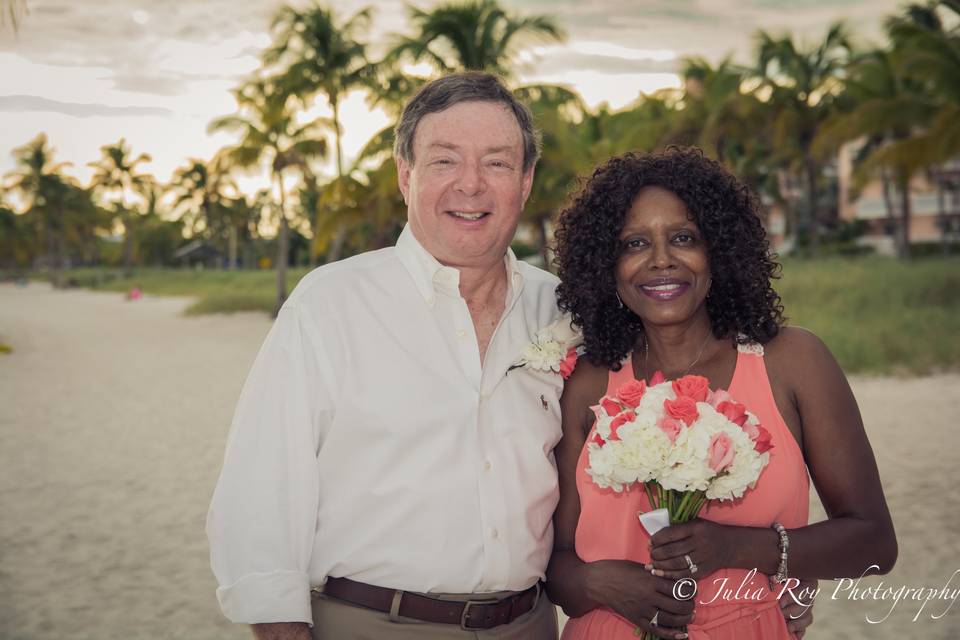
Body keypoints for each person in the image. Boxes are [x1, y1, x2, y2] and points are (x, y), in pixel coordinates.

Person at [207, 72, 562, 640]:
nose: (470, 186)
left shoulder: (560, 308)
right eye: (445, 161)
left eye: (496, 163)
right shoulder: (330, 303)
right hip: (372, 623)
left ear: (524, 181)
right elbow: (263, 490)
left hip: (531, 624)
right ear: (405, 175)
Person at [546, 147, 898, 639]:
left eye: (684, 238)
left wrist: (737, 548)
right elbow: (554, 565)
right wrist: (593, 582)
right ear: (606, 265)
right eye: (634, 244)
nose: (661, 260)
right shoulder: (586, 382)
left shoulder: (792, 363)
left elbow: (874, 543)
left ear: (720, 250)